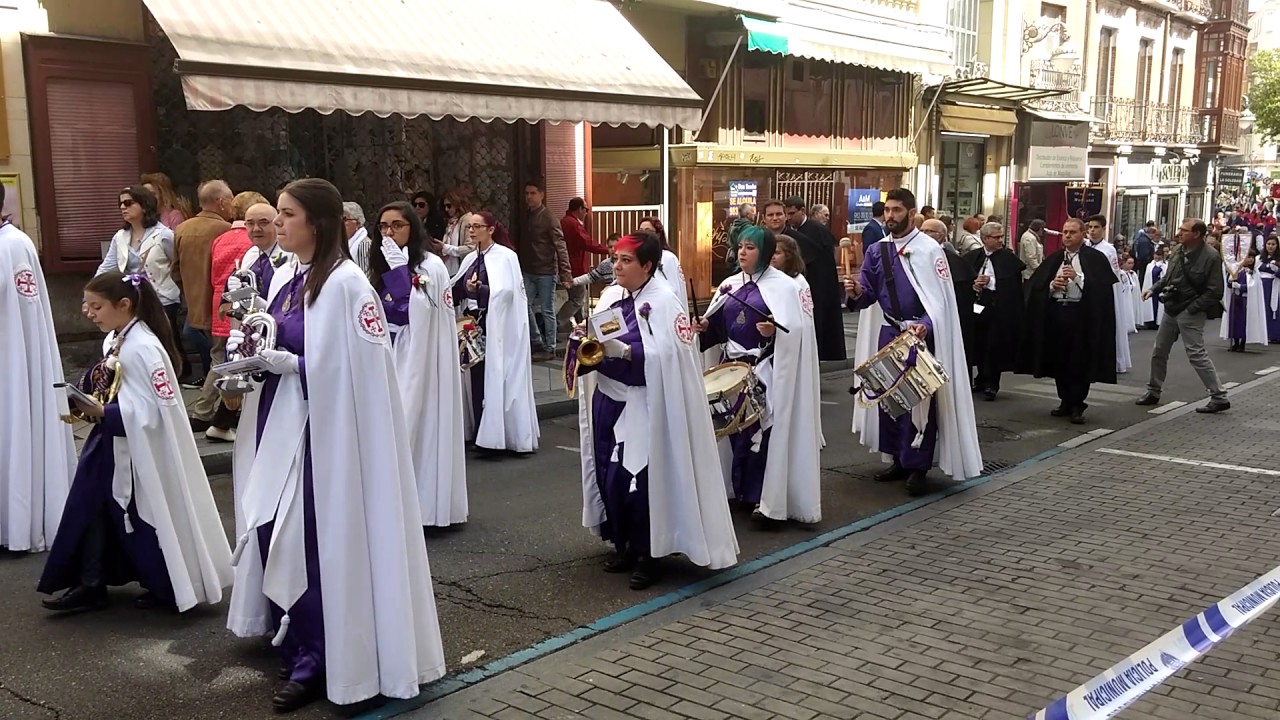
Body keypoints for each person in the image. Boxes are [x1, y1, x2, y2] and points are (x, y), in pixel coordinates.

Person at [225, 178, 446, 712]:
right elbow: (279, 335)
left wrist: (295, 365)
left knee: (310, 546)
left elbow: (364, 373)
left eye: (286, 214)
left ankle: (321, 656)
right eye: (277, 214)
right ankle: (300, 637)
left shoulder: (347, 285)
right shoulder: (288, 276)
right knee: (270, 534)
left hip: (326, 442)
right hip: (283, 430)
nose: (277, 224)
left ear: (317, 224)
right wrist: (249, 346)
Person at [38, 272, 232, 612]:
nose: (88, 312)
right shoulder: (118, 339)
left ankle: (166, 584)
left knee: (140, 514)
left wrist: (104, 411)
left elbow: (159, 408)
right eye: (87, 305)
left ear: (124, 304)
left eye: (96, 306)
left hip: (133, 446)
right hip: (111, 441)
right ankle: (91, 581)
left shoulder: (144, 347)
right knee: (92, 508)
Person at [574, 232, 738, 589]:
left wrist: (629, 352)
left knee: (641, 481)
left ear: (647, 266)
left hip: (645, 405)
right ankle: (625, 543)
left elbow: (675, 356)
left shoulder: (664, 302)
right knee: (610, 475)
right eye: (615, 259)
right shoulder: (613, 297)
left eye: (626, 261)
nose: (616, 266)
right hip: (610, 401)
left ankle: (651, 552)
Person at [844, 189, 982, 497]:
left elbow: (942, 302)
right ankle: (897, 458)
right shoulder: (877, 250)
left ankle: (918, 466)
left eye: (896, 210)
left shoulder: (929, 249)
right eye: (888, 210)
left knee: (920, 403)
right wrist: (854, 290)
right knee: (890, 401)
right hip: (890, 333)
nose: (890, 215)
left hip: (919, 336)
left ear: (910, 211)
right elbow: (868, 292)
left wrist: (927, 324)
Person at [698, 226, 821, 524]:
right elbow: (719, 328)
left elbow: (799, 333)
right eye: (740, 246)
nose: (742, 252)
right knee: (735, 433)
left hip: (766, 369)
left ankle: (762, 498)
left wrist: (775, 331)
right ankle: (738, 492)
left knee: (760, 433)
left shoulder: (785, 287)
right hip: (732, 369)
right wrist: (704, 327)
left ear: (764, 252)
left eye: (750, 247)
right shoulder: (730, 284)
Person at [372, 201, 467, 527]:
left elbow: (421, 313)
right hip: (390, 351)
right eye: (383, 226)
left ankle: (422, 507)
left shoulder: (430, 266)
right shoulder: (379, 261)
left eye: (397, 225)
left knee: (412, 420)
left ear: (413, 227)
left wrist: (401, 275)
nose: (388, 233)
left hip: (419, 356)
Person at [1, 191, 75, 554]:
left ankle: (19, 526)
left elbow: (19, 310)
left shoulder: (13, 245)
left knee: (17, 426)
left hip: (13, 358)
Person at [451, 211, 540, 455]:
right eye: (469, 227)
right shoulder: (471, 258)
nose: (471, 231)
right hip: (475, 326)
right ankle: (482, 430)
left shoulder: (506, 257)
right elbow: (457, 287)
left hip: (499, 328)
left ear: (490, 229)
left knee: (496, 376)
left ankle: (499, 435)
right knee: (477, 379)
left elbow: (507, 294)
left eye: (477, 227)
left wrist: (481, 289)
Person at [1017, 218, 1117, 425]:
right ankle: (1064, 400)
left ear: (1083, 234)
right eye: (1065, 232)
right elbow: (1037, 287)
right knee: (1059, 360)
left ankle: (1077, 404)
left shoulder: (1095, 258)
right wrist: (1052, 285)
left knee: (1079, 361)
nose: (1068, 236)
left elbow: (1101, 290)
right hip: (1057, 314)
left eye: (1072, 232)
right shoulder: (1054, 259)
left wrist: (1078, 278)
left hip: (1081, 316)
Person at [1135, 218, 1229, 413]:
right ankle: (1153, 390)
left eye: (1184, 230)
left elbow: (1215, 290)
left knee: (1196, 353)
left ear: (1196, 234)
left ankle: (1219, 396)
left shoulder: (1211, 257)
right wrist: (1153, 289)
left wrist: (1193, 308)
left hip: (1191, 310)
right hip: (1172, 307)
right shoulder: (1178, 250)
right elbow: (1169, 277)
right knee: (1159, 350)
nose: (1179, 233)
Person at [193, 191, 266, 442]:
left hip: (223, 303)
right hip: (243, 308)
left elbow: (213, 274)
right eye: (253, 222)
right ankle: (209, 412)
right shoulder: (250, 245)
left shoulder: (221, 238)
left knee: (224, 359)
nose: (256, 229)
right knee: (231, 364)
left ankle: (216, 415)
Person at [96, 186, 185, 379]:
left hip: (162, 297)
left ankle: (171, 376)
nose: (123, 207)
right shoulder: (120, 237)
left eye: (128, 203)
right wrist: (92, 293)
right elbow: (107, 266)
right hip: (133, 298)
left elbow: (177, 264)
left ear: (144, 206)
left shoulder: (164, 235)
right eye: (120, 203)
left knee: (162, 339)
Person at [964, 222, 1025, 401]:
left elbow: (1013, 287)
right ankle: (981, 378)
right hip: (978, 306)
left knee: (994, 345)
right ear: (985, 239)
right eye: (996, 237)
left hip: (999, 306)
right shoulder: (973, 256)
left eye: (1001, 237)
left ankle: (992, 383)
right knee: (979, 343)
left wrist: (991, 283)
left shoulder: (1008, 259)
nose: (1000, 240)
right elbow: (964, 280)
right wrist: (974, 284)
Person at [783, 198, 846, 361]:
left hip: (819, 285)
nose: (788, 218)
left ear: (802, 211)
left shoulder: (815, 229)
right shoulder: (795, 230)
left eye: (792, 213)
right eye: (786, 214)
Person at [520, 180, 572, 361]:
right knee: (523, 304)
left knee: (547, 309)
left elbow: (560, 245)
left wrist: (565, 272)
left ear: (541, 194)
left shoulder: (549, 217)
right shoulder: (527, 215)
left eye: (533, 193)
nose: (529, 197)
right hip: (528, 268)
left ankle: (549, 346)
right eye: (527, 193)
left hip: (546, 270)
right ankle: (536, 339)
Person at [1083, 215, 1129, 373]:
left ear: (1103, 229)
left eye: (1096, 227)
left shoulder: (1108, 249)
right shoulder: (1086, 245)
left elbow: (1113, 274)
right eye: (1090, 227)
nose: (1092, 231)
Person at [560, 198, 611, 325]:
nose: (586, 213)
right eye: (586, 209)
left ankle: (581, 324)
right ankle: (557, 322)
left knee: (576, 297)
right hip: (574, 267)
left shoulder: (566, 221)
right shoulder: (573, 224)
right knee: (577, 298)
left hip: (569, 265)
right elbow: (586, 243)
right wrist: (606, 250)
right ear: (579, 209)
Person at [1220, 227, 1268, 351]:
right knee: (1234, 322)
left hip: (1246, 301)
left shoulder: (1253, 272)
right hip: (1236, 299)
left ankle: (1242, 342)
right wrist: (1231, 283)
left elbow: (1252, 286)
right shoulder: (1238, 270)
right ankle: (1235, 341)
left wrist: (1240, 286)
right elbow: (1230, 282)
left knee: (1244, 322)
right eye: (1248, 257)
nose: (1250, 260)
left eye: (1252, 258)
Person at [638, 217, 687, 307]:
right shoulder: (636, 258)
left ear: (658, 234)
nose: (643, 235)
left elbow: (678, 291)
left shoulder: (669, 258)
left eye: (648, 231)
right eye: (641, 231)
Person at [433, 190, 474, 276]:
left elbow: (471, 248)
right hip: (449, 271)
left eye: (449, 206)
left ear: (458, 204)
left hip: (462, 272)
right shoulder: (451, 223)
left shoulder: (467, 220)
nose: (446, 209)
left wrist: (445, 248)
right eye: (444, 206)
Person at [1141, 244, 1169, 329]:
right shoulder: (1150, 265)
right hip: (1151, 286)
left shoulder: (1166, 265)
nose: (1157, 258)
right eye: (1155, 255)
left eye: (1159, 256)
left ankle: (1158, 322)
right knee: (1151, 305)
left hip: (1159, 288)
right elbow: (1148, 276)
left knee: (1159, 305)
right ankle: (1150, 321)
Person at [1259, 236, 1280, 343]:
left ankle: (1274, 334)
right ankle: (1262, 333)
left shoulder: (1278, 259)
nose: (1270, 246)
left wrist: (1276, 270)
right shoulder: (1260, 258)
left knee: (1274, 309)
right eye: (1268, 244)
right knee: (1263, 309)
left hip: (1274, 286)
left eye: (1273, 244)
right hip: (1261, 286)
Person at [726, 203, 757, 274]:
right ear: (747, 214)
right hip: (744, 263)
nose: (754, 214)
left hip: (733, 261)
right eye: (752, 212)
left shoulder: (733, 227)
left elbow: (728, 242)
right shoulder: (750, 229)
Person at [341, 202, 371, 272]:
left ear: (358, 223)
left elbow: (364, 275)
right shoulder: (345, 244)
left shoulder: (363, 245)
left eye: (344, 219)